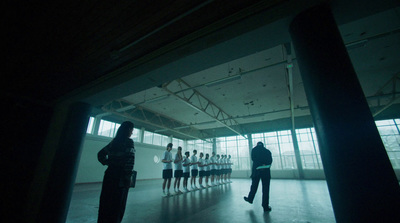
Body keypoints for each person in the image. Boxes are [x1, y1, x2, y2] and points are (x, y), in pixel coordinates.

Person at [97, 121, 135, 223]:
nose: (132, 132)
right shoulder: (129, 142)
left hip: (109, 174)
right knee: (118, 205)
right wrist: (128, 177)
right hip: (121, 177)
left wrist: (109, 162)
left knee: (106, 202)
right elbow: (130, 161)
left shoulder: (114, 142)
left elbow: (100, 154)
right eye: (131, 130)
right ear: (128, 130)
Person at [244, 142, 273, 212]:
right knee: (266, 189)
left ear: (256, 145)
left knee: (254, 186)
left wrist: (259, 164)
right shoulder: (267, 151)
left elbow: (253, 158)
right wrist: (264, 165)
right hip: (266, 171)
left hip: (256, 171)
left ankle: (250, 199)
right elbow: (270, 160)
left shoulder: (254, 150)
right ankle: (265, 206)